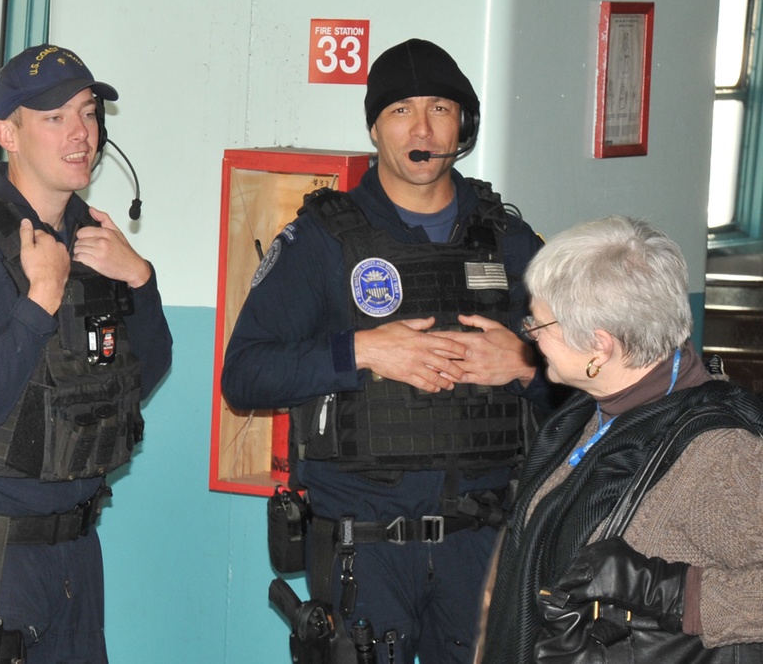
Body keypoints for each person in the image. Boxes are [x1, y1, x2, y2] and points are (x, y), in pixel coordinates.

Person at [222, 38, 558, 664]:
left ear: (464, 125)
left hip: (482, 545)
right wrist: (361, 351)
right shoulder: (321, 240)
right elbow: (244, 377)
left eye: (441, 109)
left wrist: (525, 366)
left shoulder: (508, 240)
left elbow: (589, 383)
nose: (423, 128)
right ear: (376, 127)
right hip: (366, 549)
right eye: (402, 110)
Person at [0, 44, 172, 663]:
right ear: (6, 132)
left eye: (89, 113)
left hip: (74, 549)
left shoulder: (89, 235)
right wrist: (39, 301)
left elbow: (141, 377)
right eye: (54, 118)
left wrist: (141, 279)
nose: (82, 135)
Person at [480, 216, 763, 663]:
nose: (530, 336)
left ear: (600, 347)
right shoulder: (593, 412)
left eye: (539, 325)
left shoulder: (721, 456)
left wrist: (674, 592)